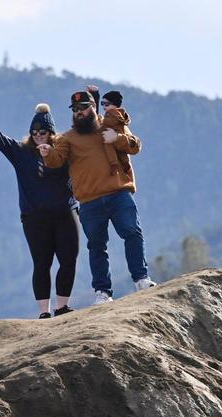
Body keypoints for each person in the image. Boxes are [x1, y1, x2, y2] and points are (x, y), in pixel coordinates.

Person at [39, 89, 155, 305]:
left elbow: (135, 145)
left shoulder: (110, 125)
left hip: (118, 193)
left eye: (83, 107)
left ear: (93, 106)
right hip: (90, 201)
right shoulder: (67, 138)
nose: (79, 112)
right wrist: (47, 153)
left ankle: (141, 279)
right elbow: (56, 160)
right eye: (75, 109)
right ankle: (103, 292)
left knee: (132, 233)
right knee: (97, 246)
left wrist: (117, 137)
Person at [0, 96, 79, 318]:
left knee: (69, 258)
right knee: (42, 263)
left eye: (43, 132)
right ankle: (44, 312)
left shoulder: (63, 150)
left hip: (65, 212)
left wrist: (94, 100)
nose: (39, 136)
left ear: (52, 133)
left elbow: (87, 134)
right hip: (34, 217)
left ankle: (62, 307)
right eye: (35, 133)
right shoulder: (21, 152)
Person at [98, 90, 133, 177]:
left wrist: (97, 127)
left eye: (107, 104)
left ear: (115, 104)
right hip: (120, 141)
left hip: (110, 138)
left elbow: (105, 126)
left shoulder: (110, 115)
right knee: (121, 152)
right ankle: (126, 162)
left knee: (108, 146)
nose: (104, 107)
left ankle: (114, 164)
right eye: (102, 104)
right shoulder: (121, 115)